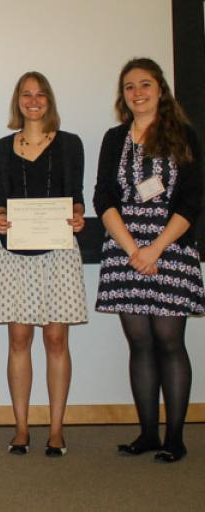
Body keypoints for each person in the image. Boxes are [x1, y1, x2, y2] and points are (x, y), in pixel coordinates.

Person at [94, 58, 204, 463]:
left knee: (170, 342)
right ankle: (147, 435)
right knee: (138, 344)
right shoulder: (113, 138)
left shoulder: (183, 135)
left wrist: (154, 249)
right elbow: (103, 197)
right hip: (125, 249)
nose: (137, 92)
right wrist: (132, 249)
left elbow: (192, 200)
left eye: (145, 84)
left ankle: (175, 438)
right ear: (122, 96)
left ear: (161, 89)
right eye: (129, 87)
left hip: (170, 248)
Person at [0, 72, 87, 457]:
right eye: (26, 94)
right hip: (14, 254)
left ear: (50, 101)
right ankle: (22, 428)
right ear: (17, 101)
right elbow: (0, 197)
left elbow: (76, 197)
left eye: (41, 94)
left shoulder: (70, 144)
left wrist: (78, 215)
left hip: (58, 253)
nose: (33, 100)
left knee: (57, 340)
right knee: (19, 340)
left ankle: (56, 429)